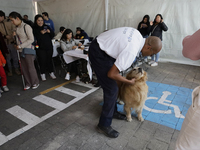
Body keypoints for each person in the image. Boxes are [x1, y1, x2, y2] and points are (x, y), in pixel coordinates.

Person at [88, 27, 162, 138]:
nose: (150, 56)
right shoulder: (131, 51)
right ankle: (103, 124)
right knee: (112, 89)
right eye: (151, 54)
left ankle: (113, 112)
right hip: (98, 52)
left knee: (114, 85)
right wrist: (128, 81)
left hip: (103, 46)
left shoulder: (137, 34)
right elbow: (111, 74)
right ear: (148, 47)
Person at [9, 12, 39, 90]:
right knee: (24, 68)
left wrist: (20, 46)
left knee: (30, 67)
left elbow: (31, 39)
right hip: (20, 50)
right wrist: (14, 37)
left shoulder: (26, 26)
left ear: (17, 18)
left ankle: (35, 82)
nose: (12, 22)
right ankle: (28, 83)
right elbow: (16, 40)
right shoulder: (16, 28)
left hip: (28, 49)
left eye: (12, 20)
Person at [33, 14, 56, 81]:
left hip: (49, 46)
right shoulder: (34, 28)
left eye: (41, 20)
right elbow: (34, 38)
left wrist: (49, 32)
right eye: (39, 20)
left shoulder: (46, 26)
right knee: (42, 60)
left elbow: (52, 35)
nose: (40, 22)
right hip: (40, 48)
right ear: (36, 21)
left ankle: (51, 72)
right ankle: (42, 73)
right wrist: (40, 33)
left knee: (49, 59)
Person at [0, 10, 20, 76]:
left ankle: (16, 69)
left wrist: (12, 35)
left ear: (2, 16)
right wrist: (5, 36)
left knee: (15, 57)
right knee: (7, 58)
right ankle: (9, 70)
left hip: (12, 42)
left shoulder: (10, 21)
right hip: (5, 44)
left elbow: (15, 28)